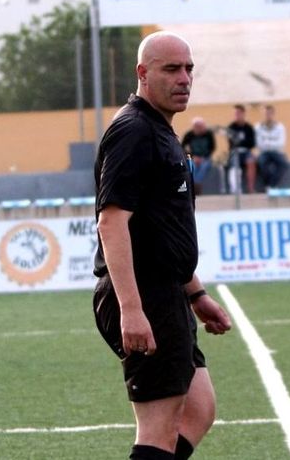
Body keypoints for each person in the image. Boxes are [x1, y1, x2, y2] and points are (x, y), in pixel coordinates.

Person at [92, 31, 232, 460]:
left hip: (168, 293)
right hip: (146, 296)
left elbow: (161, 232)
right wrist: (132, 310)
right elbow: (111, 222)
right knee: (157, 431)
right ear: (142, 73)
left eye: (189, 69)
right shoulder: (134, 131)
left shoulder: (162, 130)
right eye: (171, 69)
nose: (184, 78)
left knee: (198, 410)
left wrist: (197, 294)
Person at [225, 105, 257, 193]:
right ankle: (236, 189)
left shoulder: (249, 128)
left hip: (246, 151)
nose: (237, 115)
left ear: (243, 114)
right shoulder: (231, 127)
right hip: (235, 151)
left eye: (238, 113)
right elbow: (231, 143)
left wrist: (240, 142)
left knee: (251, 162)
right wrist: (242, 142)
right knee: (235, 164)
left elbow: (252, 143)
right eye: (235, 113)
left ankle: (251, 189)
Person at [255, 105, 288, 189]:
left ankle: (272, 185)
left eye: (269, 113)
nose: (268, 115)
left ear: (273, 114)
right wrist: (272, 143)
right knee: (261, 163)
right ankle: (268, 185)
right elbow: (259, 144)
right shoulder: (258, 127)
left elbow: (281, 143)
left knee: (283, 164)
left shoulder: (280, 127)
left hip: (277, 152)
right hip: (264, 152)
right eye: (266, 113)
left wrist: (267, 143)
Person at [180, 117, 216, 190]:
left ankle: (195, 185)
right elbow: (182, 148)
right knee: (193, 167)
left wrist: (203, 157)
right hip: (193, 157)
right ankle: (194, 184)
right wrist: (192, 156)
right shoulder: (189, 135)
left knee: (203, 166)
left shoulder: (209, 134)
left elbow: (212, 148)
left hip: (205, 158)